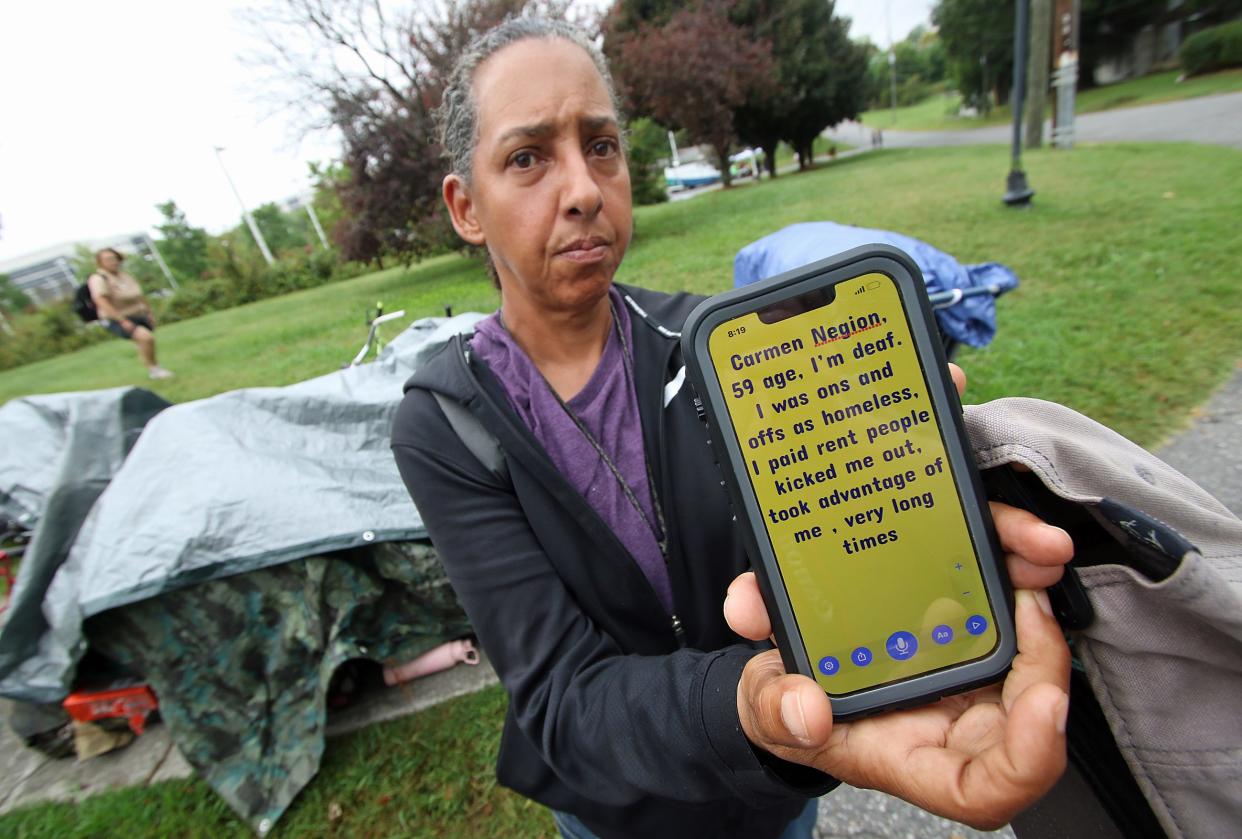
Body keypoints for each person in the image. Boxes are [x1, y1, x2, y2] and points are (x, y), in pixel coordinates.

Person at [391, 17, 1073, 839]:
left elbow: (815, 548)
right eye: (528, 157)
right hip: (621, 816)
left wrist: (901, 515)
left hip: (780, 788)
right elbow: (563, 698)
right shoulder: (446, 425)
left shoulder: (722, 350)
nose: (582, 189)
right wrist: (745, 706)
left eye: (602, 145)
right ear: (466, 206)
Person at [87, 247, 173, 380]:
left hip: (138, 314)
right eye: (108, 259)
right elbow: (100, 300)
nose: (113, 262)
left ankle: (152, 368)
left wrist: (148, 312)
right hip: (116, 318)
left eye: (114, 258)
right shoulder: (98, 278)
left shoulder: (125, 276)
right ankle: (155, 370)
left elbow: (139, 295)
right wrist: (121, 320)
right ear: (100, 262)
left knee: (144, 342)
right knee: (146, 338)